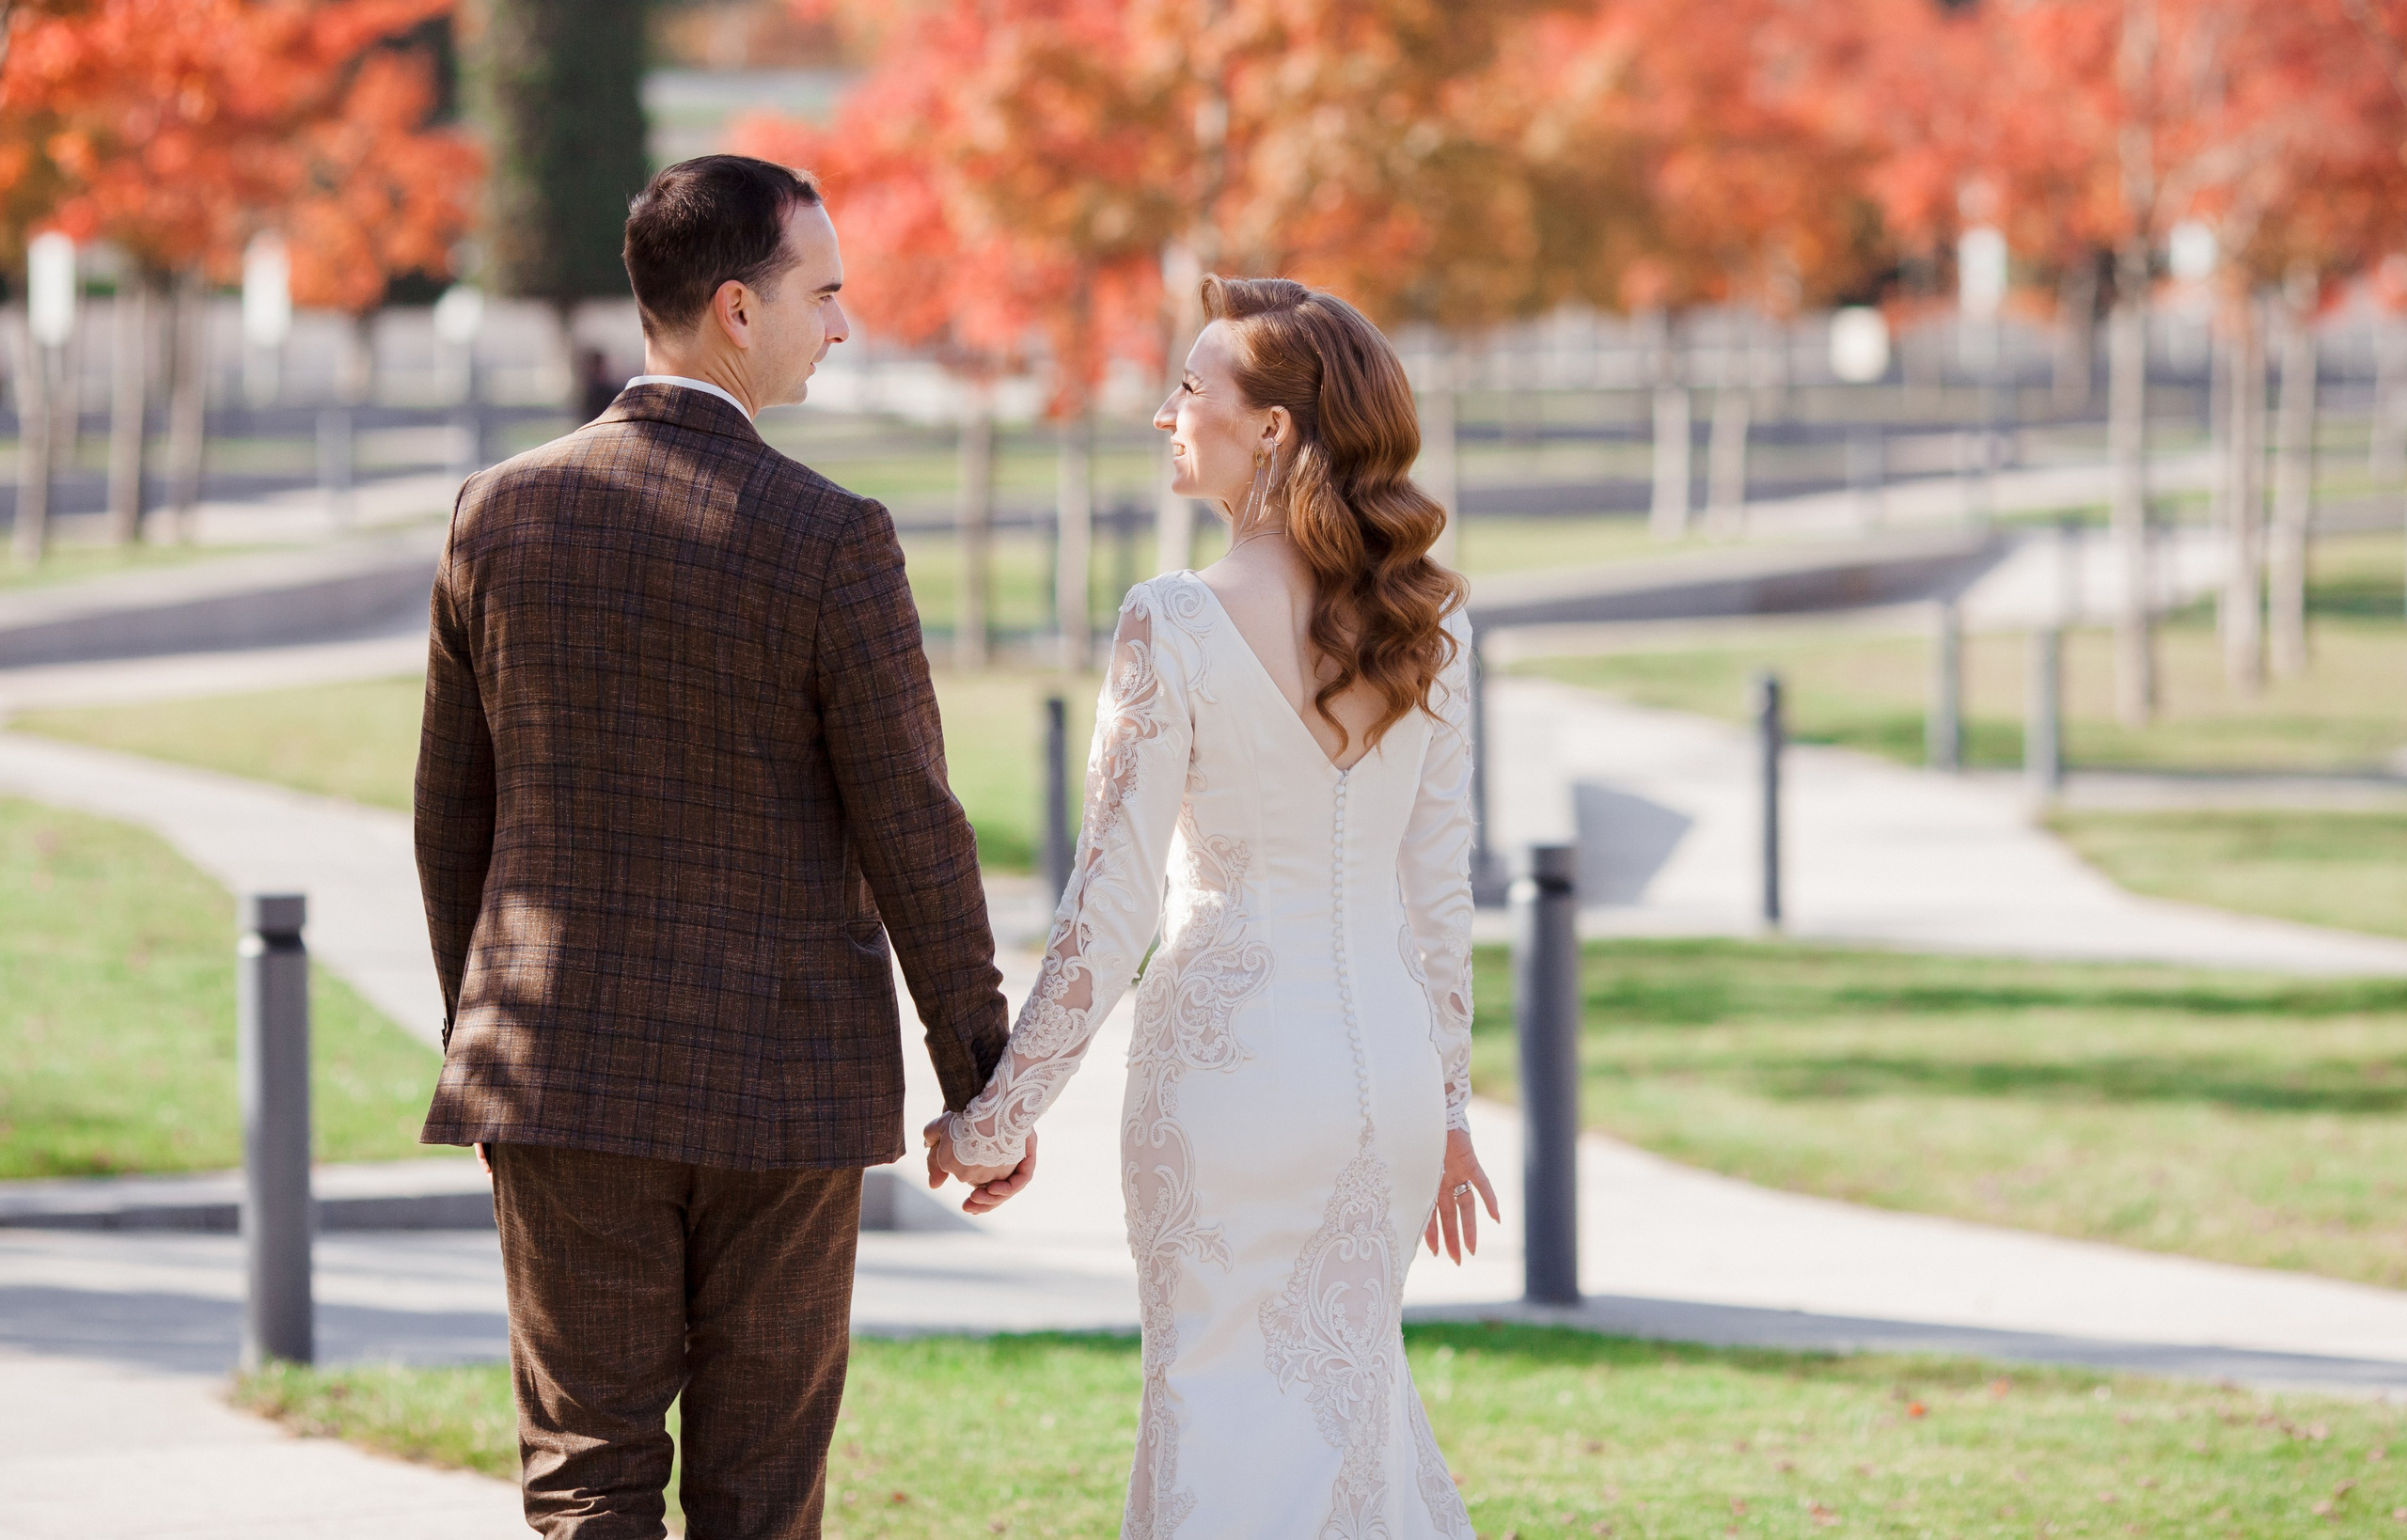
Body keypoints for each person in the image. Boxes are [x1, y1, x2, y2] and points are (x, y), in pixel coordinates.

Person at [413, 153, 1028, 1539]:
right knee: (762, 1498)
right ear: (737, 309)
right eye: (827, 293)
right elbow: (913, 826)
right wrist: (980, 1074)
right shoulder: (833, 540)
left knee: (585, 1477)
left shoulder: (494, 515)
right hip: (783, 1091)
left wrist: (494, 1034)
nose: (845, 325)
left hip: (557, 1077)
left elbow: (453, 821)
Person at [927, 275, 1500, 1536]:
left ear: (1274, 430)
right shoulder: (1423, 621)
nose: (1165, 413)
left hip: (1230, 1080)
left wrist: (995, 1114)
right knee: (1352, 1408)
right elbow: (1436, 898)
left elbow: (1110, 904)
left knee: (1217, 1406)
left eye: (1191, 387)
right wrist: (1448, 1107)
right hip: (1385, 1093)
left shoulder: (1172, 619)